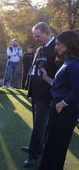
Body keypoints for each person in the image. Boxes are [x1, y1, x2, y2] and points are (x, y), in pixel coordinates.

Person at [38, 30, 79, 169]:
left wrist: (62, 103)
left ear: (69, 45)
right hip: (59, 108)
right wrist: (46, 78)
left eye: (59, 44)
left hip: (65, 111)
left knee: (58, 145)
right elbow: (59, 85)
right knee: (51, 142)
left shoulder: (74, 64)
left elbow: (77, 91)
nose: (56, 47)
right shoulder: (68, 61)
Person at [23, 22, 58, 167]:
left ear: (46, 33)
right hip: (36, 93)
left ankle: (34, 155)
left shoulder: (57, 48)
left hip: (46, 95)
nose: (36, 38)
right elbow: (34, 69)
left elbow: (60, 77)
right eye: (34, 36)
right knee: (37, 124)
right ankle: (35, 147)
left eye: (38, 36)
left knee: (40, 125)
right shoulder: (40, 49)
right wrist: (30, 90)